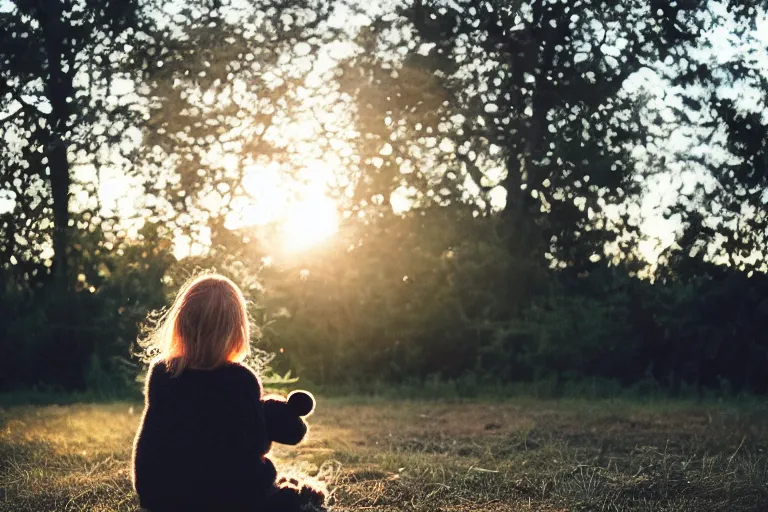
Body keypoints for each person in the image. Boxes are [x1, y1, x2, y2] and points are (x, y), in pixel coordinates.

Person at [131, 273, 325, 512]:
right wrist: (267, 415)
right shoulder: (241, 380)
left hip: (159, 497)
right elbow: (254, 444)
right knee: (292, 498)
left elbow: (156, 438)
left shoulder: (162, 373)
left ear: (181, 323)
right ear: (236, 331)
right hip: (227, 499)